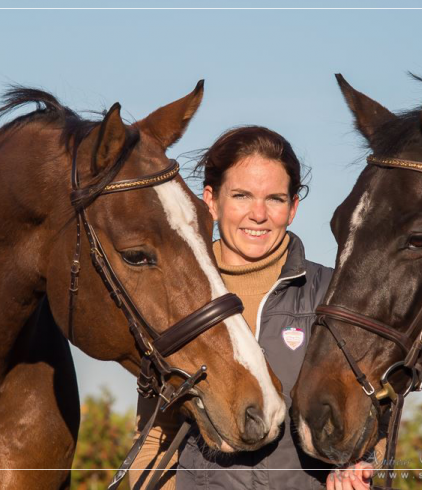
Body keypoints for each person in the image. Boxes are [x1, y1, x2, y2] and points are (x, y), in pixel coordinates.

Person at [129, 126, 373, 490]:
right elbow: (154, 435)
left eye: (274, 199)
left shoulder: (334, 294)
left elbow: (377, 422)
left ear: (292, 207)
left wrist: (362, 467)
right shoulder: (172, 297)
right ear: (210, 200)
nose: (258, 214)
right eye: (241, 195)